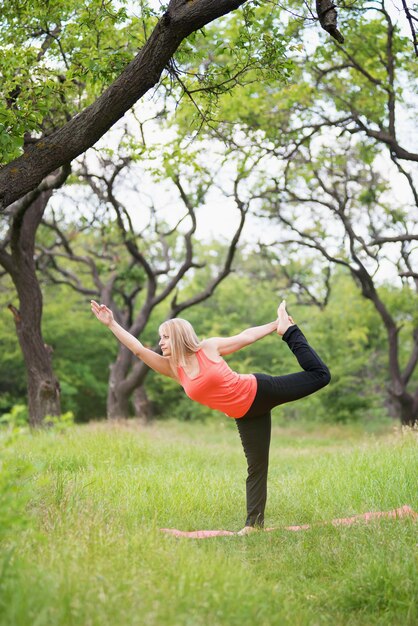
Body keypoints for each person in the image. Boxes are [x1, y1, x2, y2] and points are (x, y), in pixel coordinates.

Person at [90, 299, 331, 535]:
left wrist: (274, 325)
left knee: (320, 375)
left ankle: (289, 332)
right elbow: (138, 349)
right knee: (257, 467)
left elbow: (245, 336)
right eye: (160, 337)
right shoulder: (173, 368)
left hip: (259, 390)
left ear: (178, 336)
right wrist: (112, 324)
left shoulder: (208, 348)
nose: (160, 342)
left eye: (165, 337)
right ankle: (253, 526)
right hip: (246, 415)